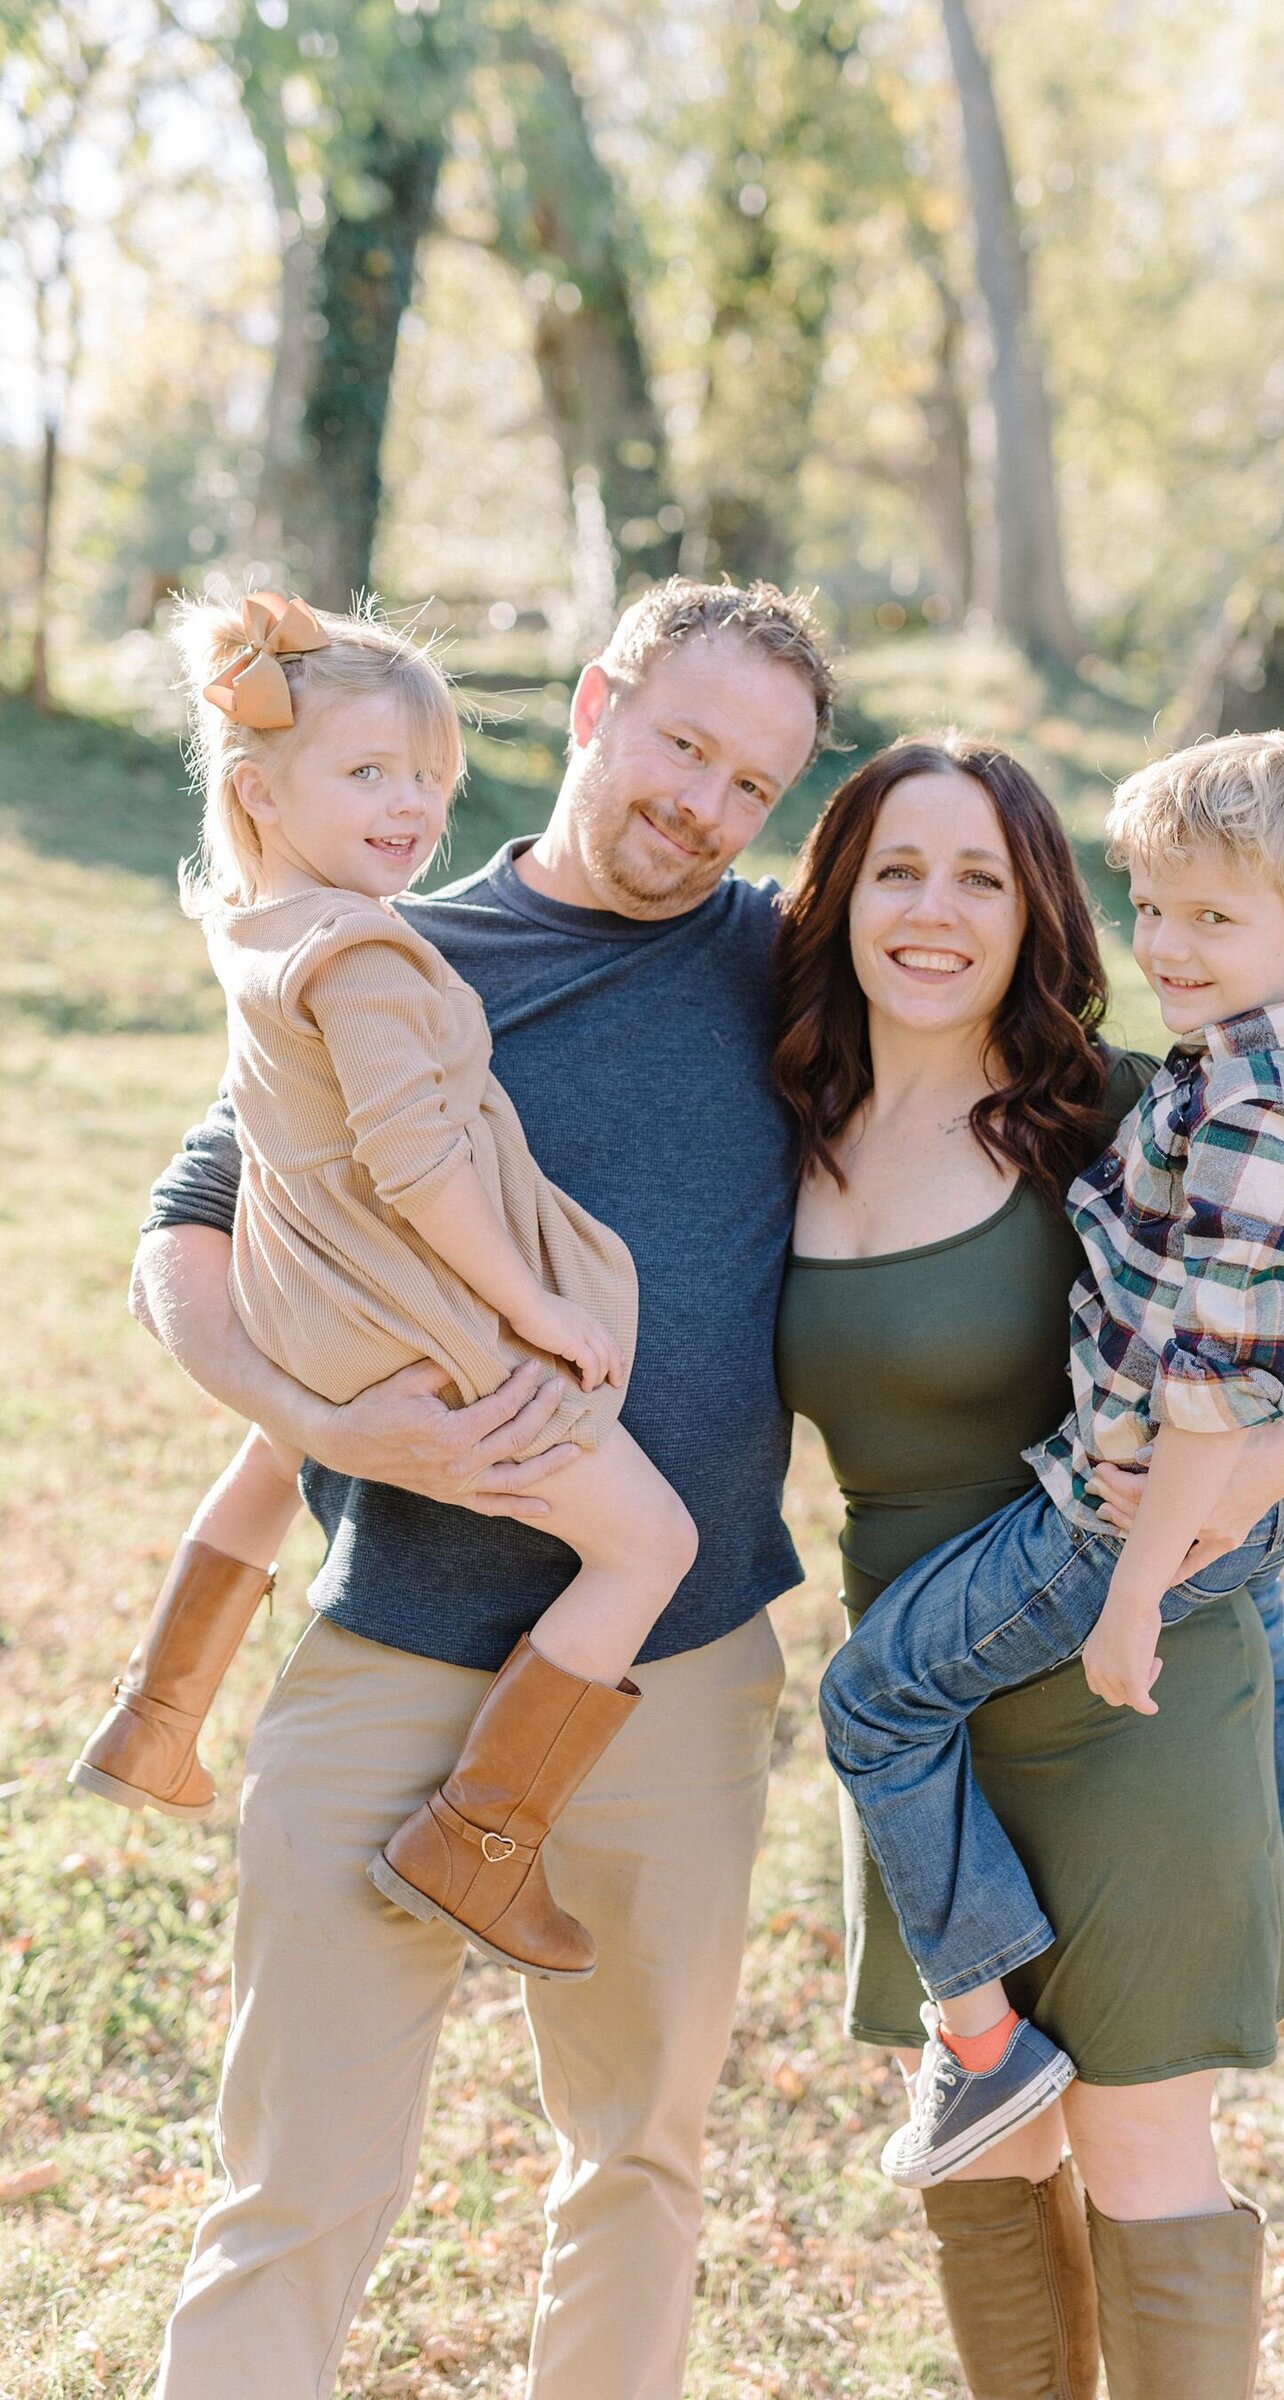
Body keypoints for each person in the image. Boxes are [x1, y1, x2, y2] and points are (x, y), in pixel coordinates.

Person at [125, 578, 830, 2400]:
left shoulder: (786, 973)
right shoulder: (383, 946)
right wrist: (339, 1428)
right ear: (596, 707)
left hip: (670, 1667)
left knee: (640, 2168)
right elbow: (183, 1238)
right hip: (398, 1645)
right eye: (682, 742)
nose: (704, 802)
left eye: (751, 782)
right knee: (292, 2187)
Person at [774, 735, 1284, 2397]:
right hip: (925, 1702)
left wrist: (1193, 1529)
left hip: (1135, 1684)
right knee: (980, 2154)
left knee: (1133, 2132)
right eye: (899, 868)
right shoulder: (783, 1116)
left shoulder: (1120, 1105)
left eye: (982, 875)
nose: (934, 910)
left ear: (1034, 910)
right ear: (837, 895)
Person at [74, 589, 698, 1980]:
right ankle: (476, 1839)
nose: (411, 805)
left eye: (429, 776)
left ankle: (156, 1712)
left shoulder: (267, 929)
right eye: (367, 774)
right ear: (258, 790)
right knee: (651, 1543)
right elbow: (417, 1172)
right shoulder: (360, 951)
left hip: (307, 1295)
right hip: (395, 1302)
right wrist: (537, 1311)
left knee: (272, 1439)